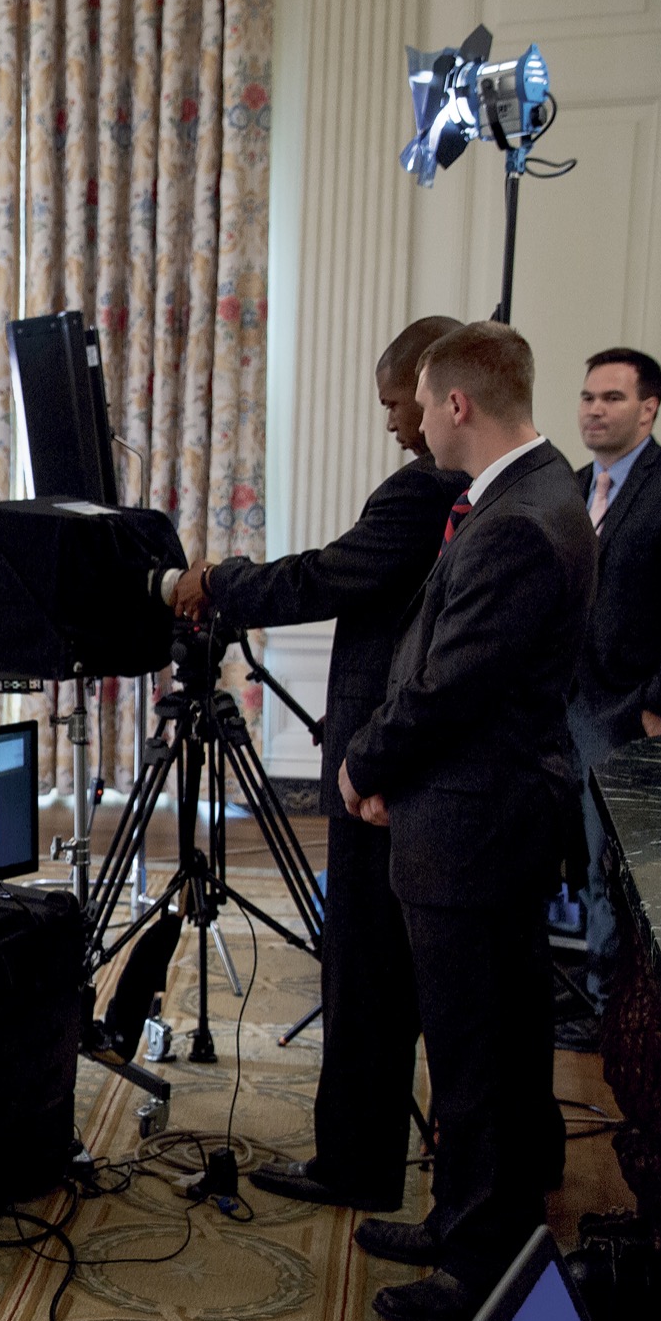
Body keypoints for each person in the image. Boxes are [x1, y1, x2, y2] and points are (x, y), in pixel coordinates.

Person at [166, 317, 467, 1212]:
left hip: (384, 762)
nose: (390, 423)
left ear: (428, 385)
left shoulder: (428, 489)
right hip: (416, 767)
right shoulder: (472, 487)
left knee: (364, 966)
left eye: (391, 403)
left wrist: (219, 580)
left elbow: (330, 577)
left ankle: (353, 1162)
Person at [338, 322, 595, 1321]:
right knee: (488, 1035)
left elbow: (452, 684)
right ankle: (461, 1215)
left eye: (420, 403)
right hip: (485, 813)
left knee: (475, 1049)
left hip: (473, 825)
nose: (413, 427)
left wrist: (366, 760)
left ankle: (477, 1264)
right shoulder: (532, 496)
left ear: (457, 404)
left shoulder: (519, 521)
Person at [567, 348, 661, 1006]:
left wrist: (659, 707)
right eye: (587, 397)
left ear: (647, 408)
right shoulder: (570, 486)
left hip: (632, 716)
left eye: (612, 398)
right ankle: (581, 989)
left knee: (619, 874)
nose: (594, 409)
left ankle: (612, 1013)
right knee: (570, 863)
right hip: (562, 709)